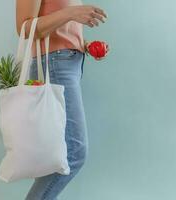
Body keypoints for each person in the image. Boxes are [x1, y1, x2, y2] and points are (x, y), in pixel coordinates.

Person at [16, 0, 108, 199]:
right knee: (74, 151)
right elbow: (24, 28)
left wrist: (83, 45)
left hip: (67, 64)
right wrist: (71, 13)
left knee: (56, 156)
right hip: (56, 65)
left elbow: (59, 31)